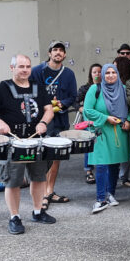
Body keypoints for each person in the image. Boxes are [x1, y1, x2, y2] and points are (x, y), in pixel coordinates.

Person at [0, 54, 56, 234]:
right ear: (12, 67)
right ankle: (14, 217)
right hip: (13, 143)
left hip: (35, 140)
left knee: (39, 178)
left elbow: (49, 110)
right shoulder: (2, 88)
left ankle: (38, 211)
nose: (25, 70)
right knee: (12, 181)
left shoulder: (38, 87)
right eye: (21, 66)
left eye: (28, 66)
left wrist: (44, 122)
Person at [29, 40, 77, 210]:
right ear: (49, 53)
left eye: (61, 50)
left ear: (64, 55)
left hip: (60, 120)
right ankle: (41, 193)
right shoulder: (37, 71)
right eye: (55, 50)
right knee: (42, 156)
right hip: (42, 121)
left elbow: (73, 96)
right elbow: (29, 92)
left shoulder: (69, 74)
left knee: (56, 157)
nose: (58, 53)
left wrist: (61, 104)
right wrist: (48, 104)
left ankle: (49, 191)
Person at [83, 64, 130, 214]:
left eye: (113, 72)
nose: (110, 75)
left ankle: (110, 194)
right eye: (107, 73)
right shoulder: (95, 89)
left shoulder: (122, 89)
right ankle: (100, 198)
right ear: (102, 75)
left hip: (119, 132)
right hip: (101, 131)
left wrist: (128, 120)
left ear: (117, 74)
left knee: (114, 164)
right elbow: (87, 110)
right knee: (102, 164)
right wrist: (105, 118)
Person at [76, 63, 102, 184]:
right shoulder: (85, 88)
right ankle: (89, 171)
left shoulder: (105, 87)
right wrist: (81, 108)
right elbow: (75, 101)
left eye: (99, 71)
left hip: (101, 120)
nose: (97, 74)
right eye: (94, 72)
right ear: (90, 74)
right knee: (89, 145)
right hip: (89, 122)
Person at [112, 56, 130, 188]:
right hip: (113, 122)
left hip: (125, 122)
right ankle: (118, 178)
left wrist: (128, 120)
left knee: (126, 151)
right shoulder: (111, 85)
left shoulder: (128, 86)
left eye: (115, 67)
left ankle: (123, 177)